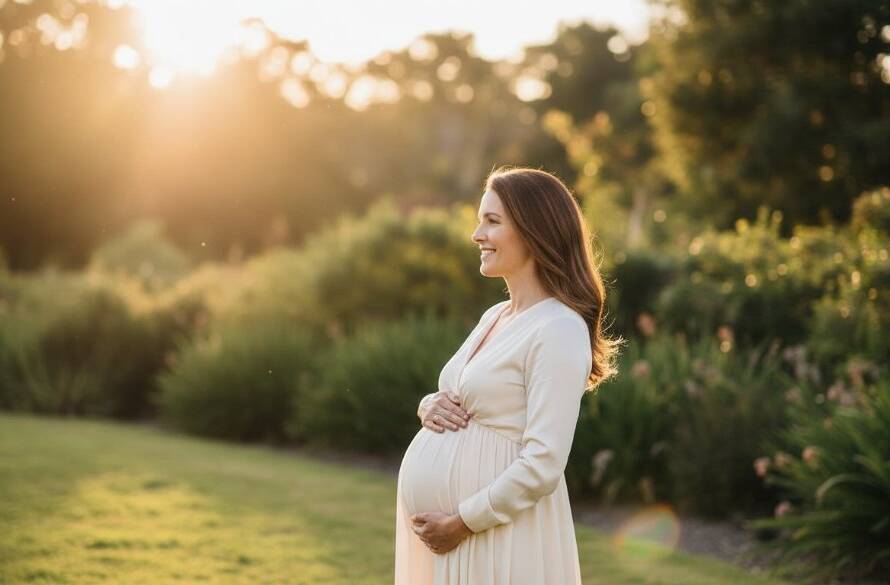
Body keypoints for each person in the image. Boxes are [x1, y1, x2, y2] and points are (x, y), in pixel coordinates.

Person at [393, 166, 622, 584]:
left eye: (492, 221)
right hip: (455, 538)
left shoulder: (558, 327)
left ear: (535, 231)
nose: (476, 235)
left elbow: (544, 462)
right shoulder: (496, 315)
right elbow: (463, 392)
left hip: (497, 536)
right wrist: (428, 406)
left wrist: (463, 522)